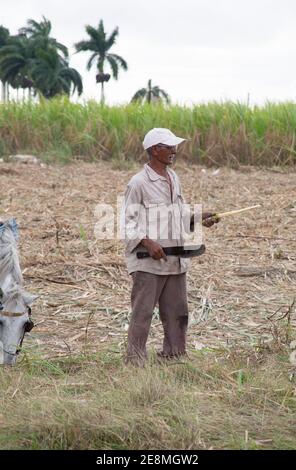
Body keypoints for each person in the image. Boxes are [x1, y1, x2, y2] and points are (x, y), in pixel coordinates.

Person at [121, 128, 219, 365]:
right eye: (169, 146)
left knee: (177, 313)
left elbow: (179, 214)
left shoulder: (173, 178)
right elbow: (127, 222)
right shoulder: (138, 183)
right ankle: (135, 361)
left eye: (175, 146)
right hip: (148, 261)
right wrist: (147, 241)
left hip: (175, 258)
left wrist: (198, 216)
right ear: (155, 150)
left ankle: (174, 356)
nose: (175, 151)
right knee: (142, 313)